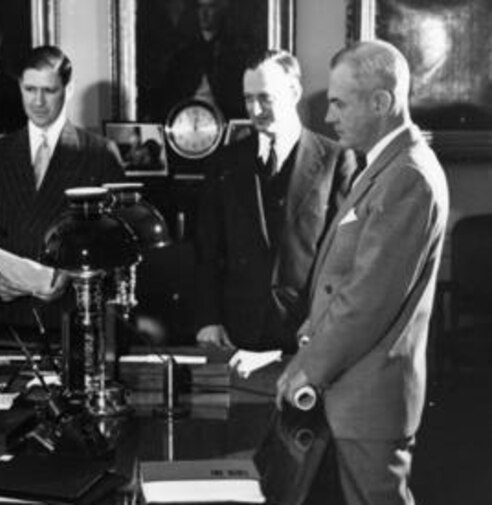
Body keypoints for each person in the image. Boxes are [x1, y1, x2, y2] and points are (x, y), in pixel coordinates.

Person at [276, 40, 449, 505]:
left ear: (381, 102)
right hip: (353, 391)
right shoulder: (385, 167)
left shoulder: (406, 176)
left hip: (370, 400)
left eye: (339, 103)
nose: (329, 117)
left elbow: (368, 300)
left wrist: (307, 368)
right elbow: (348, 279)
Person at [194, 49, 355, 352]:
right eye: (248, 98)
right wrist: (208, 320)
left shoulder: (337, 159)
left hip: (306, 331)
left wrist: (323, 324)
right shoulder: (224, 163)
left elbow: (342, 256)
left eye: (265, 98)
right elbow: (207, 249)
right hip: (236, 332)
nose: (255, 110)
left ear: (294, 92)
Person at [0, 45, 124, 335]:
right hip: (8, 318)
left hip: (75, 317)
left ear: (68, 90)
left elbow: (120, 244)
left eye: (49, 90)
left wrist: (73, 276)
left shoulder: (99, 153)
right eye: (29, 89)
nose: (38, 102)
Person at [146, 0, 251, 122]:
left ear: (222, 10)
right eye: (200, 7)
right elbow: (166, 99)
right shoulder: (183, 55)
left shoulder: (236, 53)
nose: (204, 14)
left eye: (210, 7)